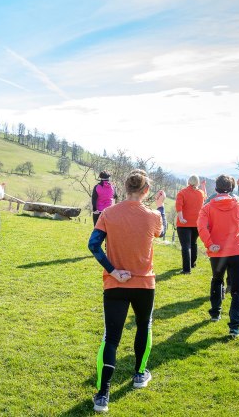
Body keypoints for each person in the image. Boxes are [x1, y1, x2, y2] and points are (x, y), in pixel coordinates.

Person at [87, 169, 166, 413]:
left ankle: (102, 396)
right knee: (144, 327)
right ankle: (140, 375)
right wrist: (161, 207)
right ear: (147, 191)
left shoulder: (109, 213)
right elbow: (160, 233)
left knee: (111, 338)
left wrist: (112, 270)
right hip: (144, 284)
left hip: (116, 285)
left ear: (124, 187)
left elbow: (93, 244)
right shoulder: (153, 215)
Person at [198, 175, 239, 338]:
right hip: (238, 252)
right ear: (231, 189)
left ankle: (215, 313)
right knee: (238, 290)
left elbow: (201, 227)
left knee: (217, 281)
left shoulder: (207, 207)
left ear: (216, 189)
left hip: (217, 252)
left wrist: (210, 244)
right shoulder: (238, 204)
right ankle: (235, 327)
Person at [174, 175, 206, 274]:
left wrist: (181, 218)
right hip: (197, 223)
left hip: (184, 224)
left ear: (188, 182)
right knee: (193, 243)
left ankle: (186, 269)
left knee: (186, 246)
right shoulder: (200, 193)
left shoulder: (182, 192)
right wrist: (203, 186)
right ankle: (192, 264)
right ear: (197, 183)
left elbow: (178, 206)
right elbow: (205, 196)